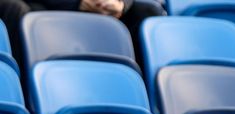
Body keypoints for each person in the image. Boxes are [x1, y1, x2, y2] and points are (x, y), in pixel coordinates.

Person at [0, 0, 165, 70]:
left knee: (147, 12)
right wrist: (77, 3)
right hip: (46, 7)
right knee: (14, 8)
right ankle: (30, 91)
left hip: (101, 7)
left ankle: (137, 94)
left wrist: (120, 3)